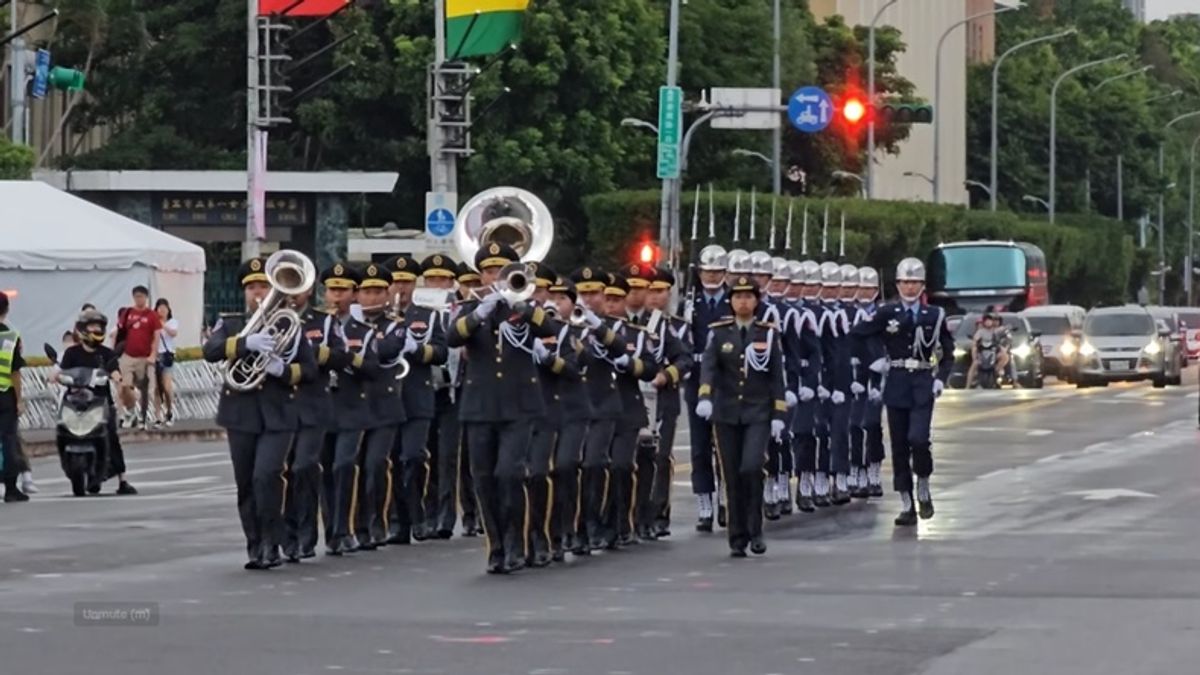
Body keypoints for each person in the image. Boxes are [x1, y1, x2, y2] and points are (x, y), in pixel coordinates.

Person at [448, 243, 565, 574]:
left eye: (500, 272)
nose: (493, 277)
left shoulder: (526, 307)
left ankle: (517, 543)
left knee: (509, 475)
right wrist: (480, 312)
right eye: (487, 271)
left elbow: (550, 329)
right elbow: (452, 338)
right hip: (479, 406)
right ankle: (496, 547)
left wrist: (521, 305)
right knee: (483, 479)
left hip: (519, 406)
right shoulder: (470, 307)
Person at [203, 257, 315, 569]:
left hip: (278, 414)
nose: (258, 293)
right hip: (240, 412)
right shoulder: (232, 323)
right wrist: (244, 343)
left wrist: (281, 369)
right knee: (246, 483)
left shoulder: (288, 325)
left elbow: (309, 369)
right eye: (252, 287)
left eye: (263, 286)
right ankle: (255, 543)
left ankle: (272, 542)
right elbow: (210, 351)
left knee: (267, 476)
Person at [852, 258, 955, 526]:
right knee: (899, 445)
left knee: (919, 439)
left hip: (922, 382)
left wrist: (941, 378)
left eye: (915, 283)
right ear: (897, 284)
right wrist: (874, 360)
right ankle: (907, 502)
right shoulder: (887, 312)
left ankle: (923, 482)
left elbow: (948, 352)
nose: (910, 287)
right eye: (905, 282)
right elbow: (858, 335)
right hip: (896, 381)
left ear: (922, 286)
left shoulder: (935, 315)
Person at [695, 275, 786, 557]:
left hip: (757, 412)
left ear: (757, 301)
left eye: (748, 296)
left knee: (751, 467)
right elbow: (708, 366)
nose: (742, 301)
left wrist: (778, 413)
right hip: (726, 413)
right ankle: (737, 535)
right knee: (731, 475)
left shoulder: (767, 333)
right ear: (730, 301)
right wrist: (705, 397)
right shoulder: (719, 332)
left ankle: (755, 529)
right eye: (737, 296)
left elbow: (776, 377)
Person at [282, 268, 348, 562]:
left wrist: (314, 352)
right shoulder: (274, 322)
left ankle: (306, 535)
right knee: (282, 473)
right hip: (280, 407)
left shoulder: (324, 321)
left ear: (308, 291)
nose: (293, 294)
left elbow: (341, 355)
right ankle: (287, 536)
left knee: (304, 467)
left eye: (298, 287)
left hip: (313, 406)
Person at [383, 254, 447, 544]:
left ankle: (419, 515)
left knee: (413, 457)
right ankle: (397, 522)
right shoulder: (378, 317)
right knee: (390, 461)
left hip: (417, 396)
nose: (401, 288)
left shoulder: (428, 316)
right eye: (396, 282)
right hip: (385, 399)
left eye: (407, 282)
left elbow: (441, 352)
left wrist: (417, 350)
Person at [569, 265, 628, 552]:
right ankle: (576, 527)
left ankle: (599, 523)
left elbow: (618, 349)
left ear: (605, 295)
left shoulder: (614, 326)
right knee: (571, 467)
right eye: (582, 293)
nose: (588, 299)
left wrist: (593, 324)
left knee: (595, 463)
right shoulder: (564, 323)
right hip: (572, 405)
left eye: (594, 293)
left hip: (603, 402)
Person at [58, 309, 138, 496]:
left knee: (111, 435)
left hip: (100, 403)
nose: (96, 329)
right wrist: (56, 376)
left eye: (99, 326)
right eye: (92, 326)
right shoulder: (72, 353)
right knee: (62, 428)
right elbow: (62, 371)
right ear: (82, 329)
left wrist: (119, 379)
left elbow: (114, 369)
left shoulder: (106, 353)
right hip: (75, 402)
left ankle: (123, 479)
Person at [686, 245, 732, 531]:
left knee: (725, 446)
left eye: (717, 272)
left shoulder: (734, 300)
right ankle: (704, 504)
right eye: (707, 271)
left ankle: (726, 500)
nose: (712, 277)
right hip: (696, 379)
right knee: (700, 447)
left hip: (726, 381)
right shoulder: (690, 303)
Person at [644, 266, 693, 537]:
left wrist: (667, 374)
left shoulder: (677, 326)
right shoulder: (635, 322)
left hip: (664, 398)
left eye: (660, 291)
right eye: (649, 290)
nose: (654, 297)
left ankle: (659, 512)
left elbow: (685, 360)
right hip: (636, 398)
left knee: (661, 457)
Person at [114, 285, 163, 429]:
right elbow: (119, 332)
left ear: (146, 298)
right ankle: (129, 412)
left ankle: (152, 416)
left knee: (148, 389)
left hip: (145, 357)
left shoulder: (151, 315)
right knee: (124, 387)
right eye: (136, 296)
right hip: (128, 356)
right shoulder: (128, 313)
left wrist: (153, 354)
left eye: (141, 296)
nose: (139, 299)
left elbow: (157, 336)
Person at [0, 291, 30, 502]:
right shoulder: (11, 337)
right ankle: (11, 487)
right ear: (7, 309)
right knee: (9, 439)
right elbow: (15, 373)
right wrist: (19, 399)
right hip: (5, 395)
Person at [966, 311, 1013, 389]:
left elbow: (1005, 332)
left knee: (1005, 356)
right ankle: (967, 385)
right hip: (982, 354)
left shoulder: (996, 330)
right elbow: (975, 341)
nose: (988, 322)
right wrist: (975, 355)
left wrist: (1008, 328)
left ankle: (997, 370)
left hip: (994, 352)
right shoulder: (980, 331)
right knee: (974, 364)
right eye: (986, 321)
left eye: (990, 320)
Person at [153, 298, 179, 428]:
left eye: (164, 308)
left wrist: (162, 324)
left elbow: (173, 333)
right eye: (159, 308)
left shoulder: (172, 322)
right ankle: (158, 416)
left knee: (167, 387)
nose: (162, 310)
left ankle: (169, 412)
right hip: (155, 356)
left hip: (167, 357)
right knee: (157, 389)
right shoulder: (153, 323)